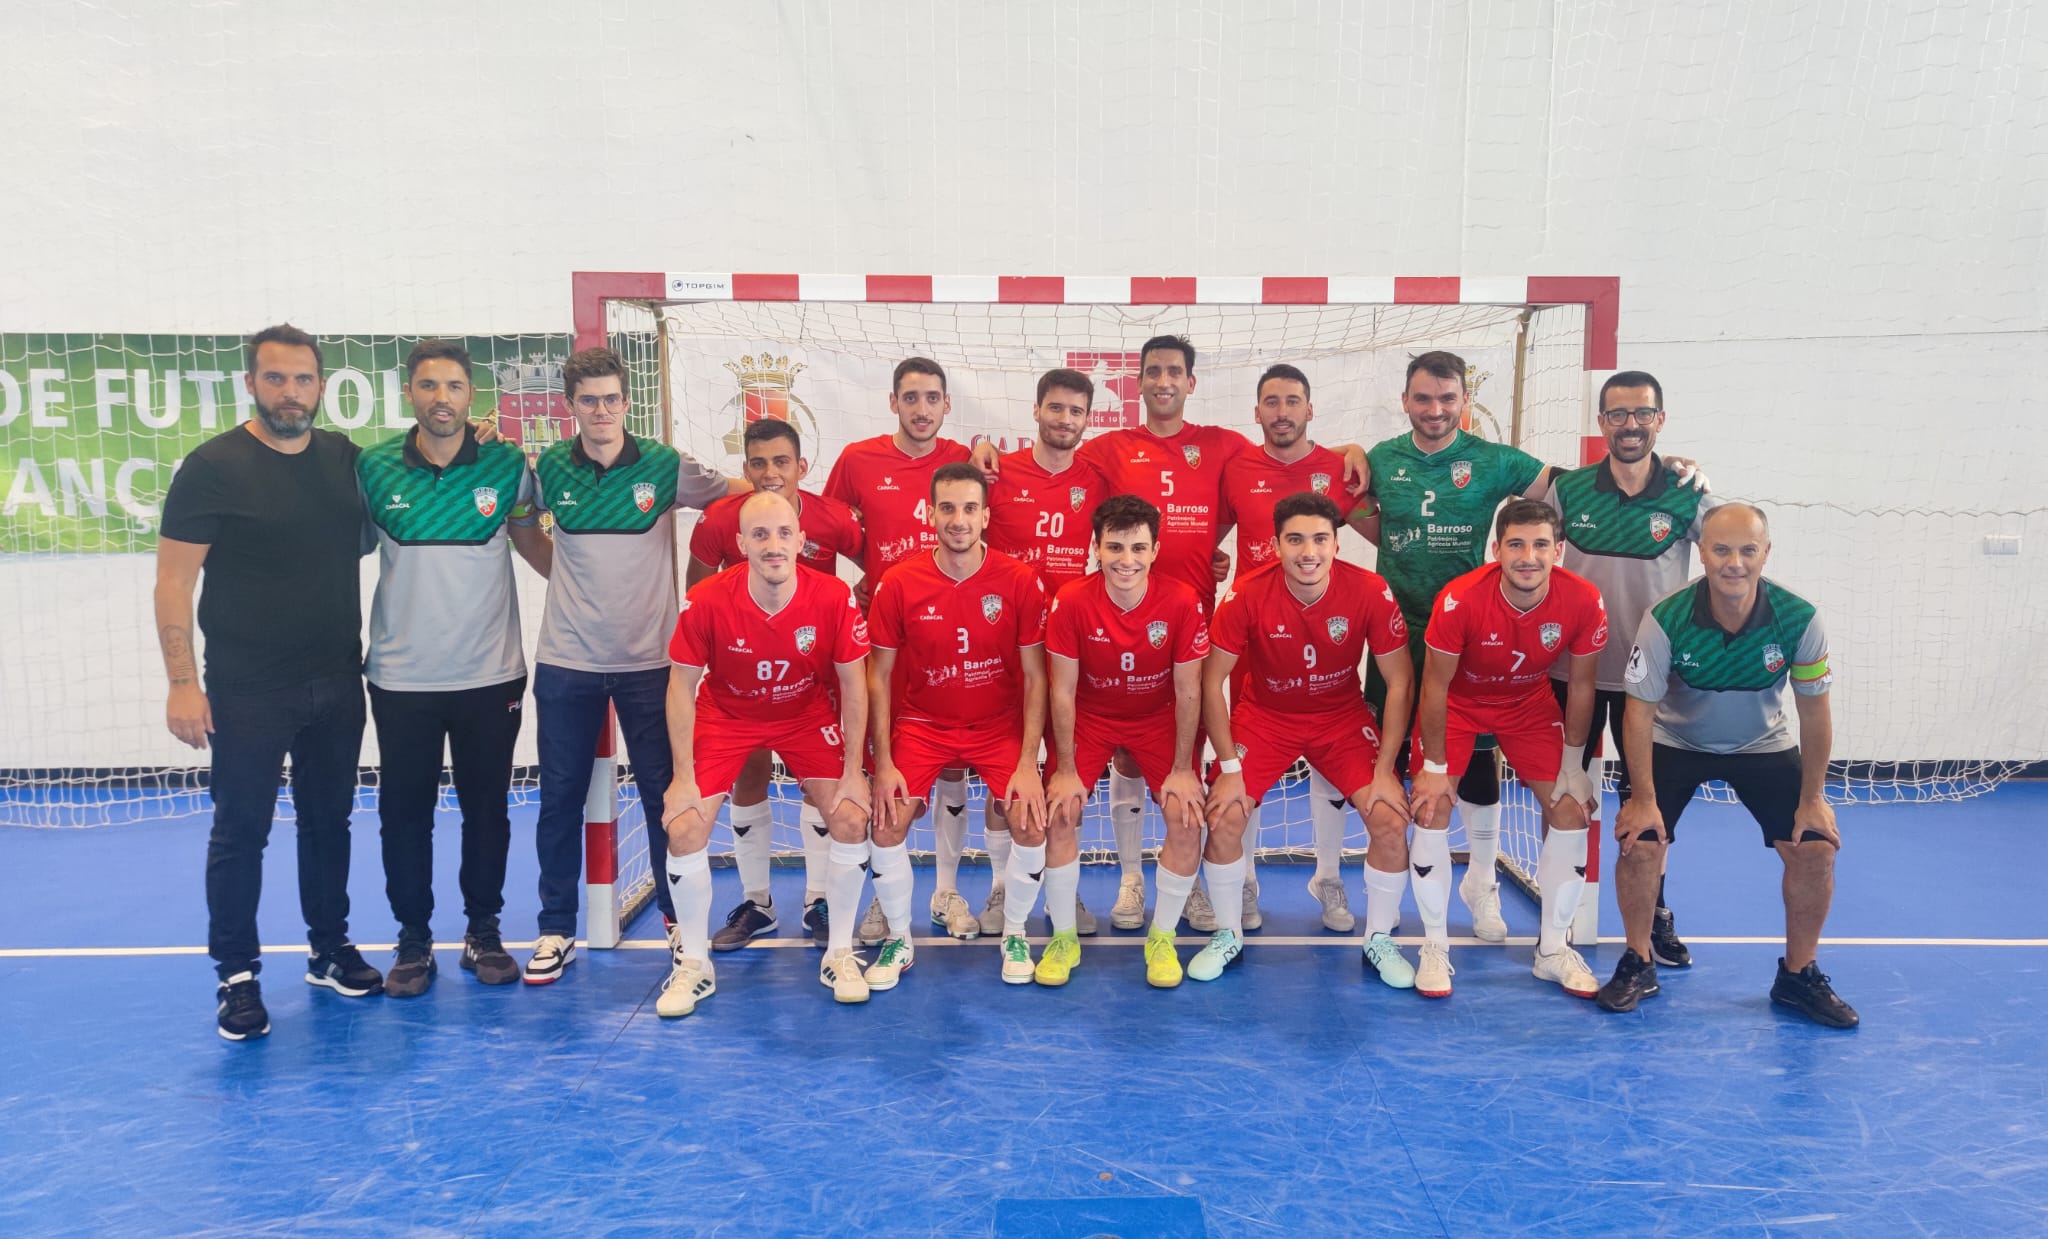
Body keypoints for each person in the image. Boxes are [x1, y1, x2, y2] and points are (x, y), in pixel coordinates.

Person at [976, 337, 1367, 935]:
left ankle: (1208, 881)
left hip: (1191, 625)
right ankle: (1128, 879)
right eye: (1153, 371)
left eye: (1174, 372)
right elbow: (1051, 450)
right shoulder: (1108, 448)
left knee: (1196, 764)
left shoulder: (1223, 446)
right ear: (1138, 383)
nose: (1164, 381)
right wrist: (981, 448)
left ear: (1190, 382)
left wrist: (1348, 450)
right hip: (1093, 625)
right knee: (1076, 764)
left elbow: (1284, 449)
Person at [1362, 350, 1704, 943]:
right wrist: (1352, 463)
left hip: (1480, 634)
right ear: (1405, 401)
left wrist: (1658, 464)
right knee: (1398, 774)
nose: (1436, 409)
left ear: (1465, 402)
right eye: (1423, 398)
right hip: (1399, 632)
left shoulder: (1497, 461)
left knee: (1482, 763)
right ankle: (1386, 899)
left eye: (1448, 398)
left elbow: (1574, 486)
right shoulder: (1378, 459)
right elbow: (1339, 503)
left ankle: (1484, 884)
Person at [156, 323, 383, 1040]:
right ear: (251, 383)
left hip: (337, 679)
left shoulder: (344, 460)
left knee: (329, 822)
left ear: (322, 385)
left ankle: (328, 949)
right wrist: (182, 682)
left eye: (303, 379)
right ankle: (237, 975)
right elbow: (172, 582)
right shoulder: (212, 466)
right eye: (276, 378)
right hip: (247, 688)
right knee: (241, 831)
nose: (291, 392)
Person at [523, 346, 742, 985]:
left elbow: (740, 496)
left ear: (627, 402)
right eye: (589, 401)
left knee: (661, 794)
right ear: (571, 406)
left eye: (612, 399)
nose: (601, 411)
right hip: (567, 660)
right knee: (559, 798)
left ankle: (675, 921)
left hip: (652, 663)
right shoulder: (548, 468)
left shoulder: (665, 465)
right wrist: (569, 582)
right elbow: (524, 530)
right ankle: (555, 927)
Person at [1598, 504, 1856, 1027]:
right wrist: (1643, 800)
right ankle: (1639, 961)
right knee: (1639, 841)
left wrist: (1813, 799)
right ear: (1702, 553)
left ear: (1765, 553)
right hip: (1675, 738)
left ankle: (1798, 975)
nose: (1733, 562)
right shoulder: (1666, 617)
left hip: (1762, 743)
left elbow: (1814, 714)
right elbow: (1638, 713)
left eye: (1746, 550)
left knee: (1815, 848)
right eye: (1721, 550)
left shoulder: (1799, 619)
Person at [357, 340, 553, 995]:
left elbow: (531, 540)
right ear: (409, 393)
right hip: (401, 678)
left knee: (487, 810)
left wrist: (598, 596)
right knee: (404, 814)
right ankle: (413, 940)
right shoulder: (373, 467)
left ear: (473, 396)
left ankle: (483, 932)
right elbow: (336, 548)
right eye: (428, 385)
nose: (441, 398)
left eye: (454, 386)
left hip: (489, 674)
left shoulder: (507, 463)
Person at [657, 491, 876, 1014]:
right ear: (741, 544)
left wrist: (854, 770)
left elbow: (854, 684)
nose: (772, 545)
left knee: (850, 818)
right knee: (684, 827)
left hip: (804, 712)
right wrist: (682, 777)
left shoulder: (832, 596)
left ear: (801, 541)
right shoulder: (707, 599)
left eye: (783, 533)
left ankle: (839, 953)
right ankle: (694, 965)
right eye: (759, 535)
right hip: (727, 713)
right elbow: (680, 686)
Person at [1200, 493, 1417, 985]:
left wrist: (1386, 769)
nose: (1308, 552)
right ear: (1276, 545)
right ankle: (1227, 934)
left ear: (1337, 543)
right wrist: (1229, 768)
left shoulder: (1370, 589)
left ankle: (1379, 938)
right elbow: (1211, 681)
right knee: (1225, 815)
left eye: (1320, 539)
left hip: (1340, 718)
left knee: (1389, 818)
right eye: (1295, 540)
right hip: (1266, 716)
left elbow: (1400, 682)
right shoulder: (1247, 592)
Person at [1546, 370, 1721, 971]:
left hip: (1651, 683)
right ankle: (1557, 916)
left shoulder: (1687, 493)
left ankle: (1654, 913)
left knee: (1648, 802)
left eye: (1642, 413)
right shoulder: (1569, 490)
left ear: (1660, 420)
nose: (1630, 425)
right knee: (1564, 791)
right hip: (1572, 672)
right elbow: (1529, 550)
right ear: (1601, 423)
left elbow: (1731, 550)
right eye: (1617, 414)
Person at [1409, 500, 1608, 999]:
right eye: (1516, 545)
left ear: (1558, 550)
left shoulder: (1583, 598)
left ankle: (1553, 951)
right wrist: (1433, 766)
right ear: (1496, 549)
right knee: (1431, 807)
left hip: (1527, 704)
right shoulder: (1460, 599)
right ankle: (1434, 946)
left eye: (1540, 545)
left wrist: (1573, 763)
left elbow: (1582, 685)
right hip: (1459, 704)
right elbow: (1434, 686)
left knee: (1571, 811)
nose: (1528, 557)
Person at [865, 463, 1049, 987]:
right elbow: (878, 676)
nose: (958, 519)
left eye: (970, 508)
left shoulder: (1018, 580)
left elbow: (1036, 676)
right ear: (930, 514)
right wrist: (883, 762)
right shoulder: (899, 582)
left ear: (986, 516)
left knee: (1031, 820)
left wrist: (1029, 761)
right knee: (886, 820)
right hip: (923, 723)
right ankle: (900, 939)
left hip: (997, 725)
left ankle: (1015, 932)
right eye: (947, 508)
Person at [821, 358, 985, 947]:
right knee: (884, 769)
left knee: (953, 763)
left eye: (932, 398)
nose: (921, 409)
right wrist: (856, 582)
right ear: (893, 402)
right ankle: (883, 896)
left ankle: (947, 891)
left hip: (950, 637)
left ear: (946, 405)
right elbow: (824, 530)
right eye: (910, 397)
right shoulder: (858, 460)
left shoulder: (965, 460)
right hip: (886, 636)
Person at [686, 417, 863, 952]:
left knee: (819, 786)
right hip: (742, 674)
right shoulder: (721, 519)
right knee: (749, 776)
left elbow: (876, 565)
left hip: (812, 675)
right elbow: (697, 592)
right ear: (745, 468)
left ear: (801, 466)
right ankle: (757, 903)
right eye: (758, 463)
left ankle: (817, 900)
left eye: (781, 461)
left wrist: (859, 610)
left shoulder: (832, 516)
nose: (770, 473)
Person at [1216, 363, 1367, 933]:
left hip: (1322, 629)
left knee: (1333, 749)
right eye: (1272, 402)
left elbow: (1383, 530)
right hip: (1254, 636)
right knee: (1244, 769)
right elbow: (1204, 534)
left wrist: (1358, 453)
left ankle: (1327, 876)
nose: (1282, 412)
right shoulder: (1235, 467)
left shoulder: (1339, 468)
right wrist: (1212, 561)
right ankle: (1244, 879)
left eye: (1293, 401)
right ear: (1256, 411)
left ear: (1310, 408)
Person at [1043, 496, 1209, 987]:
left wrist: (1183, 768)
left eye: (1138, 548)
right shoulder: (1072, 600)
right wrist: (1066, 769)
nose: (1126, 560)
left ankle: (1162, 938)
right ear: (1096, 548)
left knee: (1186, 815)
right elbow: (1062, 691)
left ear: (1155, 550)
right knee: (1061, 810)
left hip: (1157, 717)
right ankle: (1064, 937)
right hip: (1092, 715)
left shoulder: (1182, 600)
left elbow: (1189, 690)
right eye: (1114, 547)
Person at [981, 367, 1110, 938]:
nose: (1064, 419)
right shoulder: (996, 472)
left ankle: (1064, 890)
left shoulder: (1098, 479)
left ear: (1088, 419)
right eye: (1055, 408)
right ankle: (1000, 887)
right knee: (1004, 772)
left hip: (1071, 648)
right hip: (1003, 643)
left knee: (1063, 773)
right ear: (1036, 411)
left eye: (1076, 411)